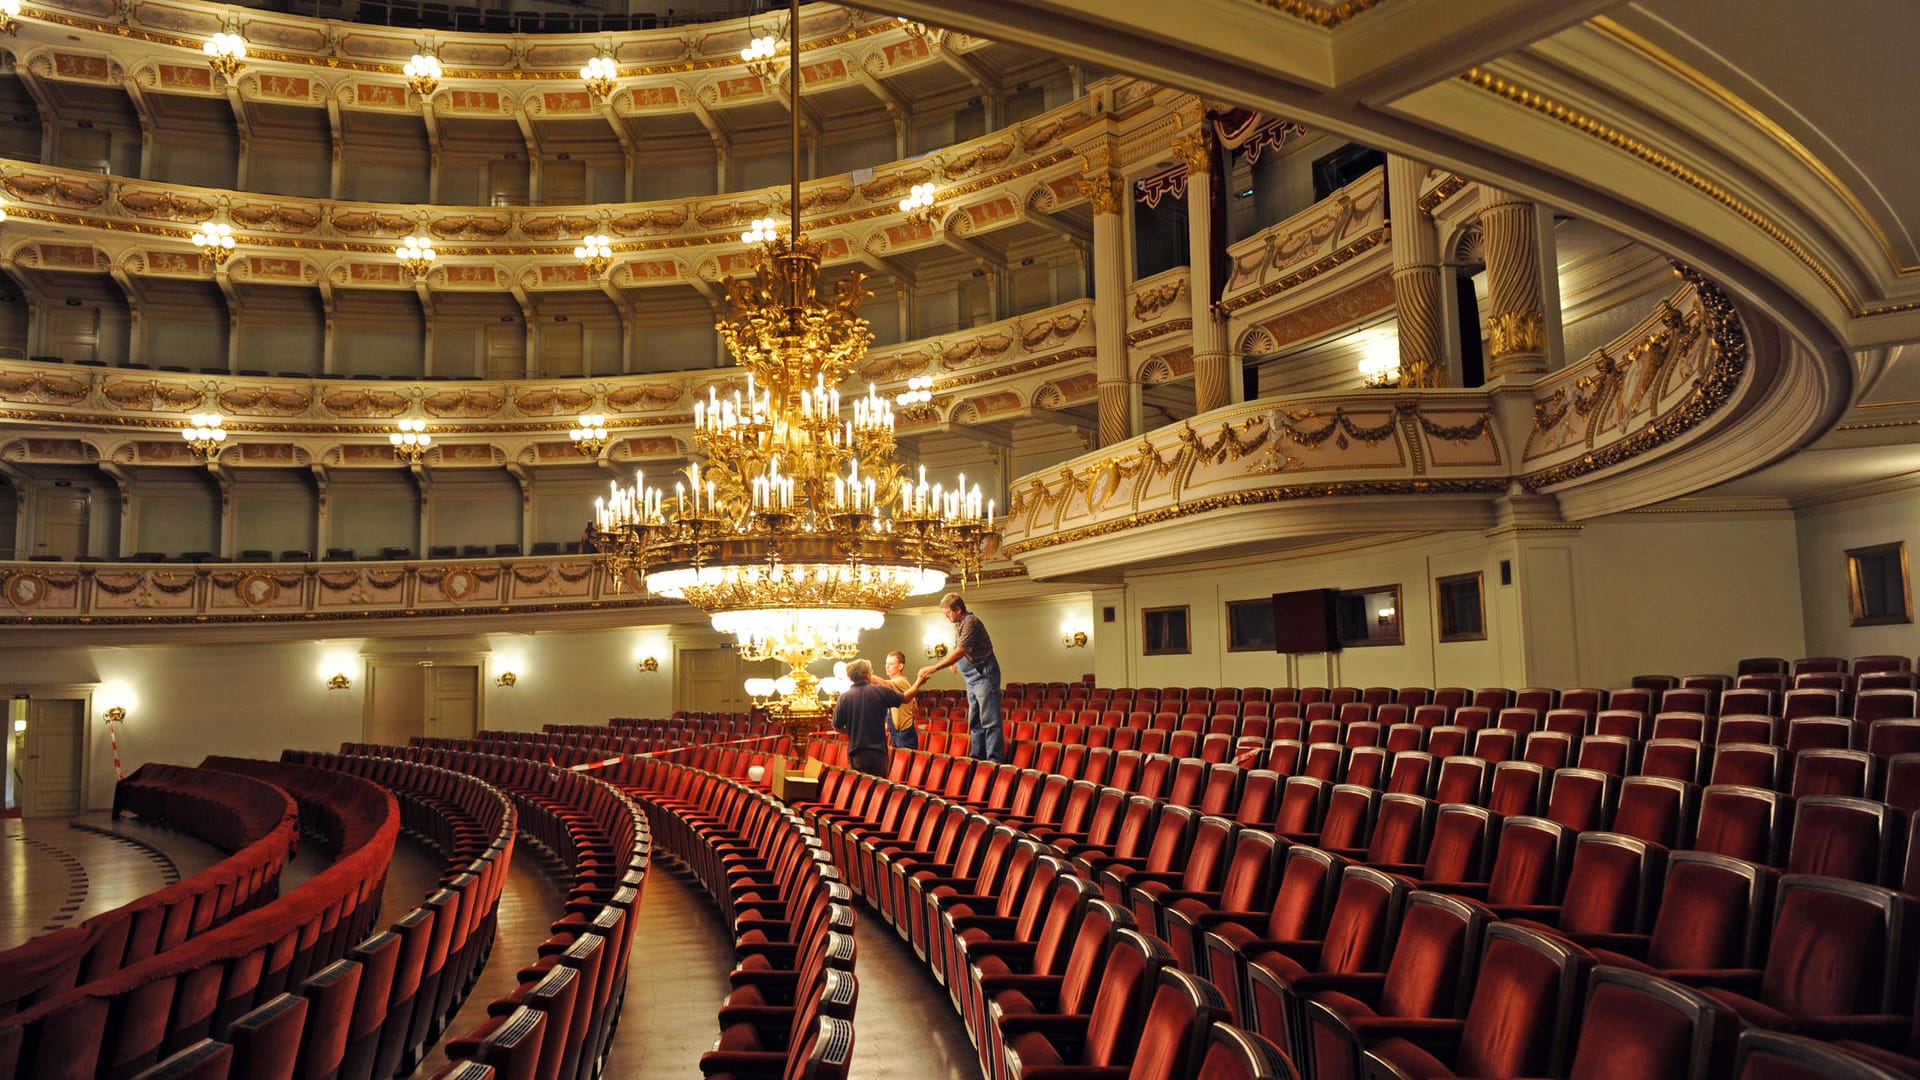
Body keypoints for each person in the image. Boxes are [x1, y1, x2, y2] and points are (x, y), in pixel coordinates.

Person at [918, 591, 1003, 762]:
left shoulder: (971, 622)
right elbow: (960, 648)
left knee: (989, 720)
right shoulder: (959, 625)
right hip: (972, 679)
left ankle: (994, 760)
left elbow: (961, 649)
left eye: (948, 613)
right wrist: (956, 662)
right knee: (975, 720)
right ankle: (977, 757)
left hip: (983, 675)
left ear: (958, 610)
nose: (946, 617)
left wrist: (936, 666)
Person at [832, 657, 921, 776]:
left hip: (856, 752)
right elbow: (906, 698)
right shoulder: (879, 691)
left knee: (861, 789)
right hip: (878, 752)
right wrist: (919, 681)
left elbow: (837, 726)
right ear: (868, 675)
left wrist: (854, 731)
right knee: (880, 789)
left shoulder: (843, 698)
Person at [883, 649, 918, 751]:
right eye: (886, 664)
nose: (887, 667)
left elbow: (884, 684)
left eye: (890, 664)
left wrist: (868, 676)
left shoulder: (901, 681)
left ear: (900, 666)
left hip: (904, 734)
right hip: (896, 732)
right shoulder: (899, 683)